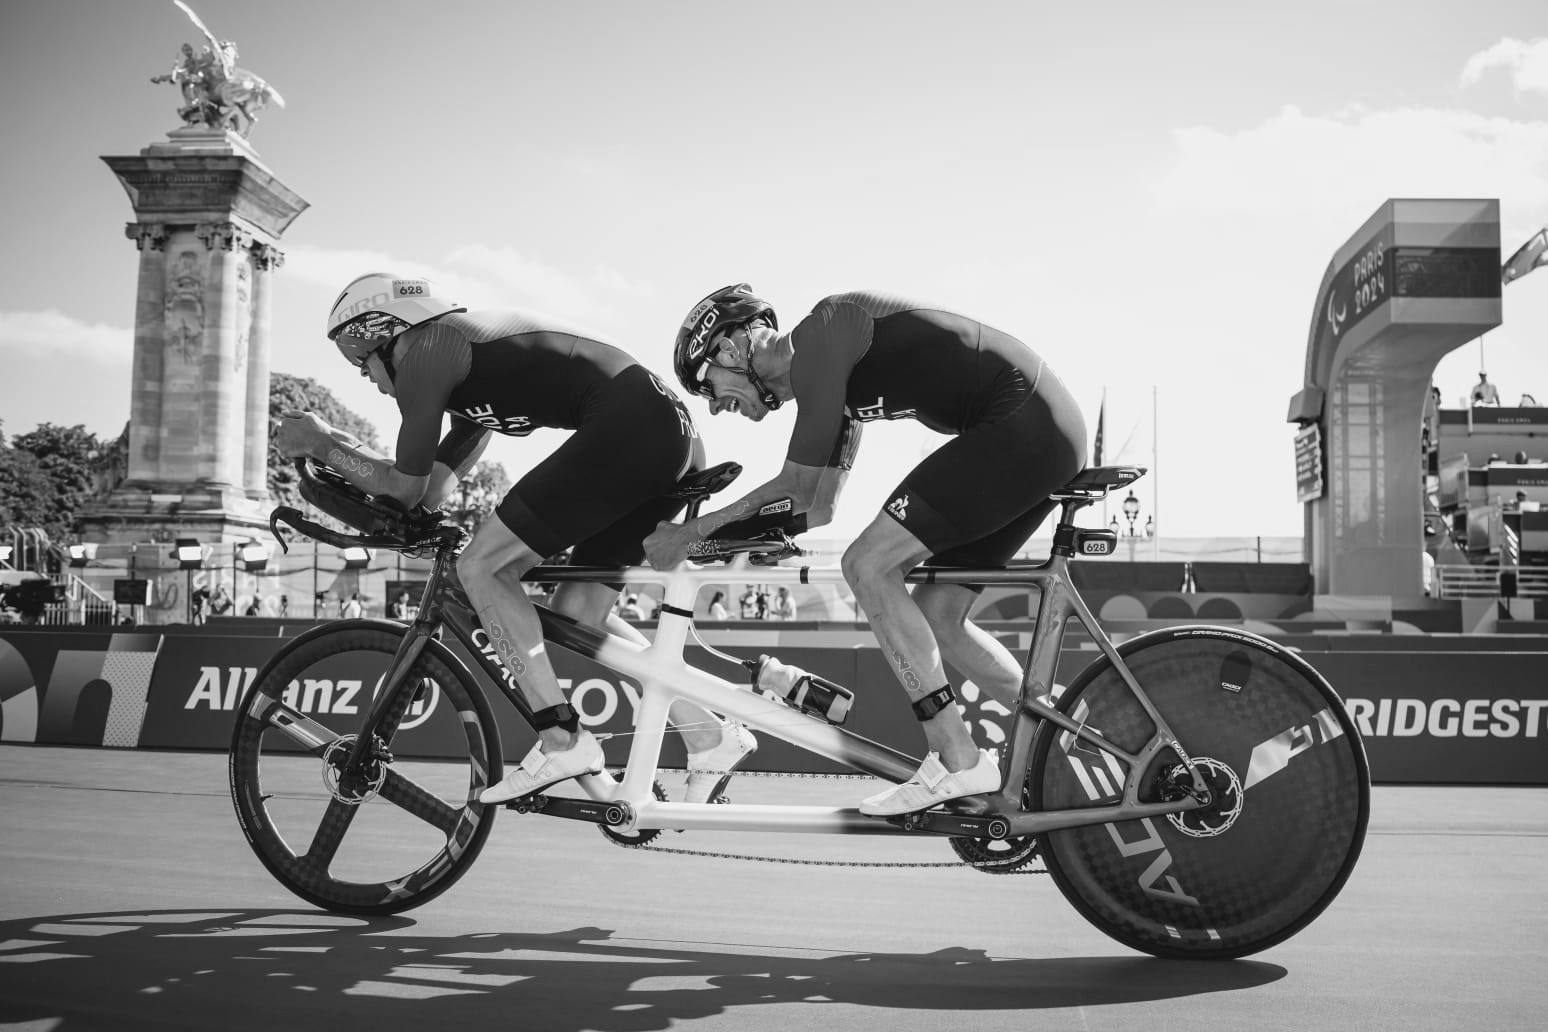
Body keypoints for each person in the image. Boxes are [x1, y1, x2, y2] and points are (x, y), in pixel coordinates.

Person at [276, 271, 755, 806]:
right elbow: (428, 491)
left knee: (481, 568)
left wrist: (321, 445)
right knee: (578, 613)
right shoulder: (465, 381)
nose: (365, 377)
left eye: (359, 362)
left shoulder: (427, 349)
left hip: (635, 427)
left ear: (377, 333)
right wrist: (343, 450)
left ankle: (561, 738)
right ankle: (709, 735)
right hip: (669, 433)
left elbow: (405, 489)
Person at [647, 286, 1086, 816]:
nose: (715, 405)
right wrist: (719, 539)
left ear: (731, 351)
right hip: (1039, 428)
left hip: (1021, 422)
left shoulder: (826, 331)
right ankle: (1078, 734)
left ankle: (956, 759)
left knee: (868, 565)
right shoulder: (831, 385)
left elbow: (793, 484)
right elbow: (816, 507)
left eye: (707, 386)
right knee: (939, 614)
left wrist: (687, 536)